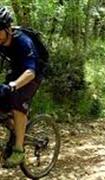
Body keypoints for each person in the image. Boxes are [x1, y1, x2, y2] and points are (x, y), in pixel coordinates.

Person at [0, 7, 44, 167]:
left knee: (18, 102)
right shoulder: (1, 40)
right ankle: (15, 130)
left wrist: (12, 86)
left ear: (7, 29)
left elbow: (30, 72)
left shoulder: (23, 42)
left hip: (32, 75)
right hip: (15, 73)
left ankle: (18, 150)